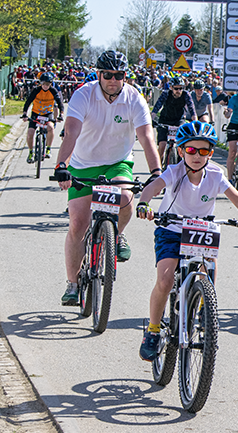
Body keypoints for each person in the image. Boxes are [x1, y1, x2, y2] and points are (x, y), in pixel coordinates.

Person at [135, 122, 238, 360]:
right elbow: (153, 187)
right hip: (171, 228)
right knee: (165, 278)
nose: (197, 156)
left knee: (208, 265)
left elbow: (236, 196)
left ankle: (204, 305)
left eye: (203, 151)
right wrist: (144, 204)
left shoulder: (215, 174)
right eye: (191, 150)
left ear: (210, 153)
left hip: (201, 230)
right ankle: (152, 329)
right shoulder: (174, 171)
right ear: (181, 151)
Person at [53, 50, 163, 305]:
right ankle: (72, 283)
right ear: (99, 74)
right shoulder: (84, 94)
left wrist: (156, 172)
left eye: (119, 75)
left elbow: (147, 138)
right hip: (83, 165)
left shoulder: (134, 97)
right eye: (107, 75)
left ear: (125, 76)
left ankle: (117, 233)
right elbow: (71, 132)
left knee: (126, 197)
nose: (113, 80)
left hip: (117, 163)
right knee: (78, 224)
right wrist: (62, 165)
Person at [151, 76, 197, 160]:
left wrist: (196, 122)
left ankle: (181, 164)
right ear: (171, 88)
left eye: (181, 88)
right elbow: (157, 107)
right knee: (162, 145)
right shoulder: (166, 94)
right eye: (176, 88)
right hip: (164, 120)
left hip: (179, 120)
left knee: (182, 144)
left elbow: (192, 109)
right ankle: (158, 167)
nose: (179, 91)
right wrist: (152, 119)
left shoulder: (186, 94)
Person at [21, 71, 64, 162]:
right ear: (41, 83)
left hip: (47, 113)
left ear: (50, 84)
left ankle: (48, 148)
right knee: (30, 133)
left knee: (50, 127)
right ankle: (31, 152)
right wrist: (25, 114)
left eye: (47, 84)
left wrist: (61, 114)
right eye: (44, 84)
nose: (45, 86)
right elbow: (28, 102)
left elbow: (60, 103)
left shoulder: (53, 91)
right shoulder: (36, 90)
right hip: (36, 113)